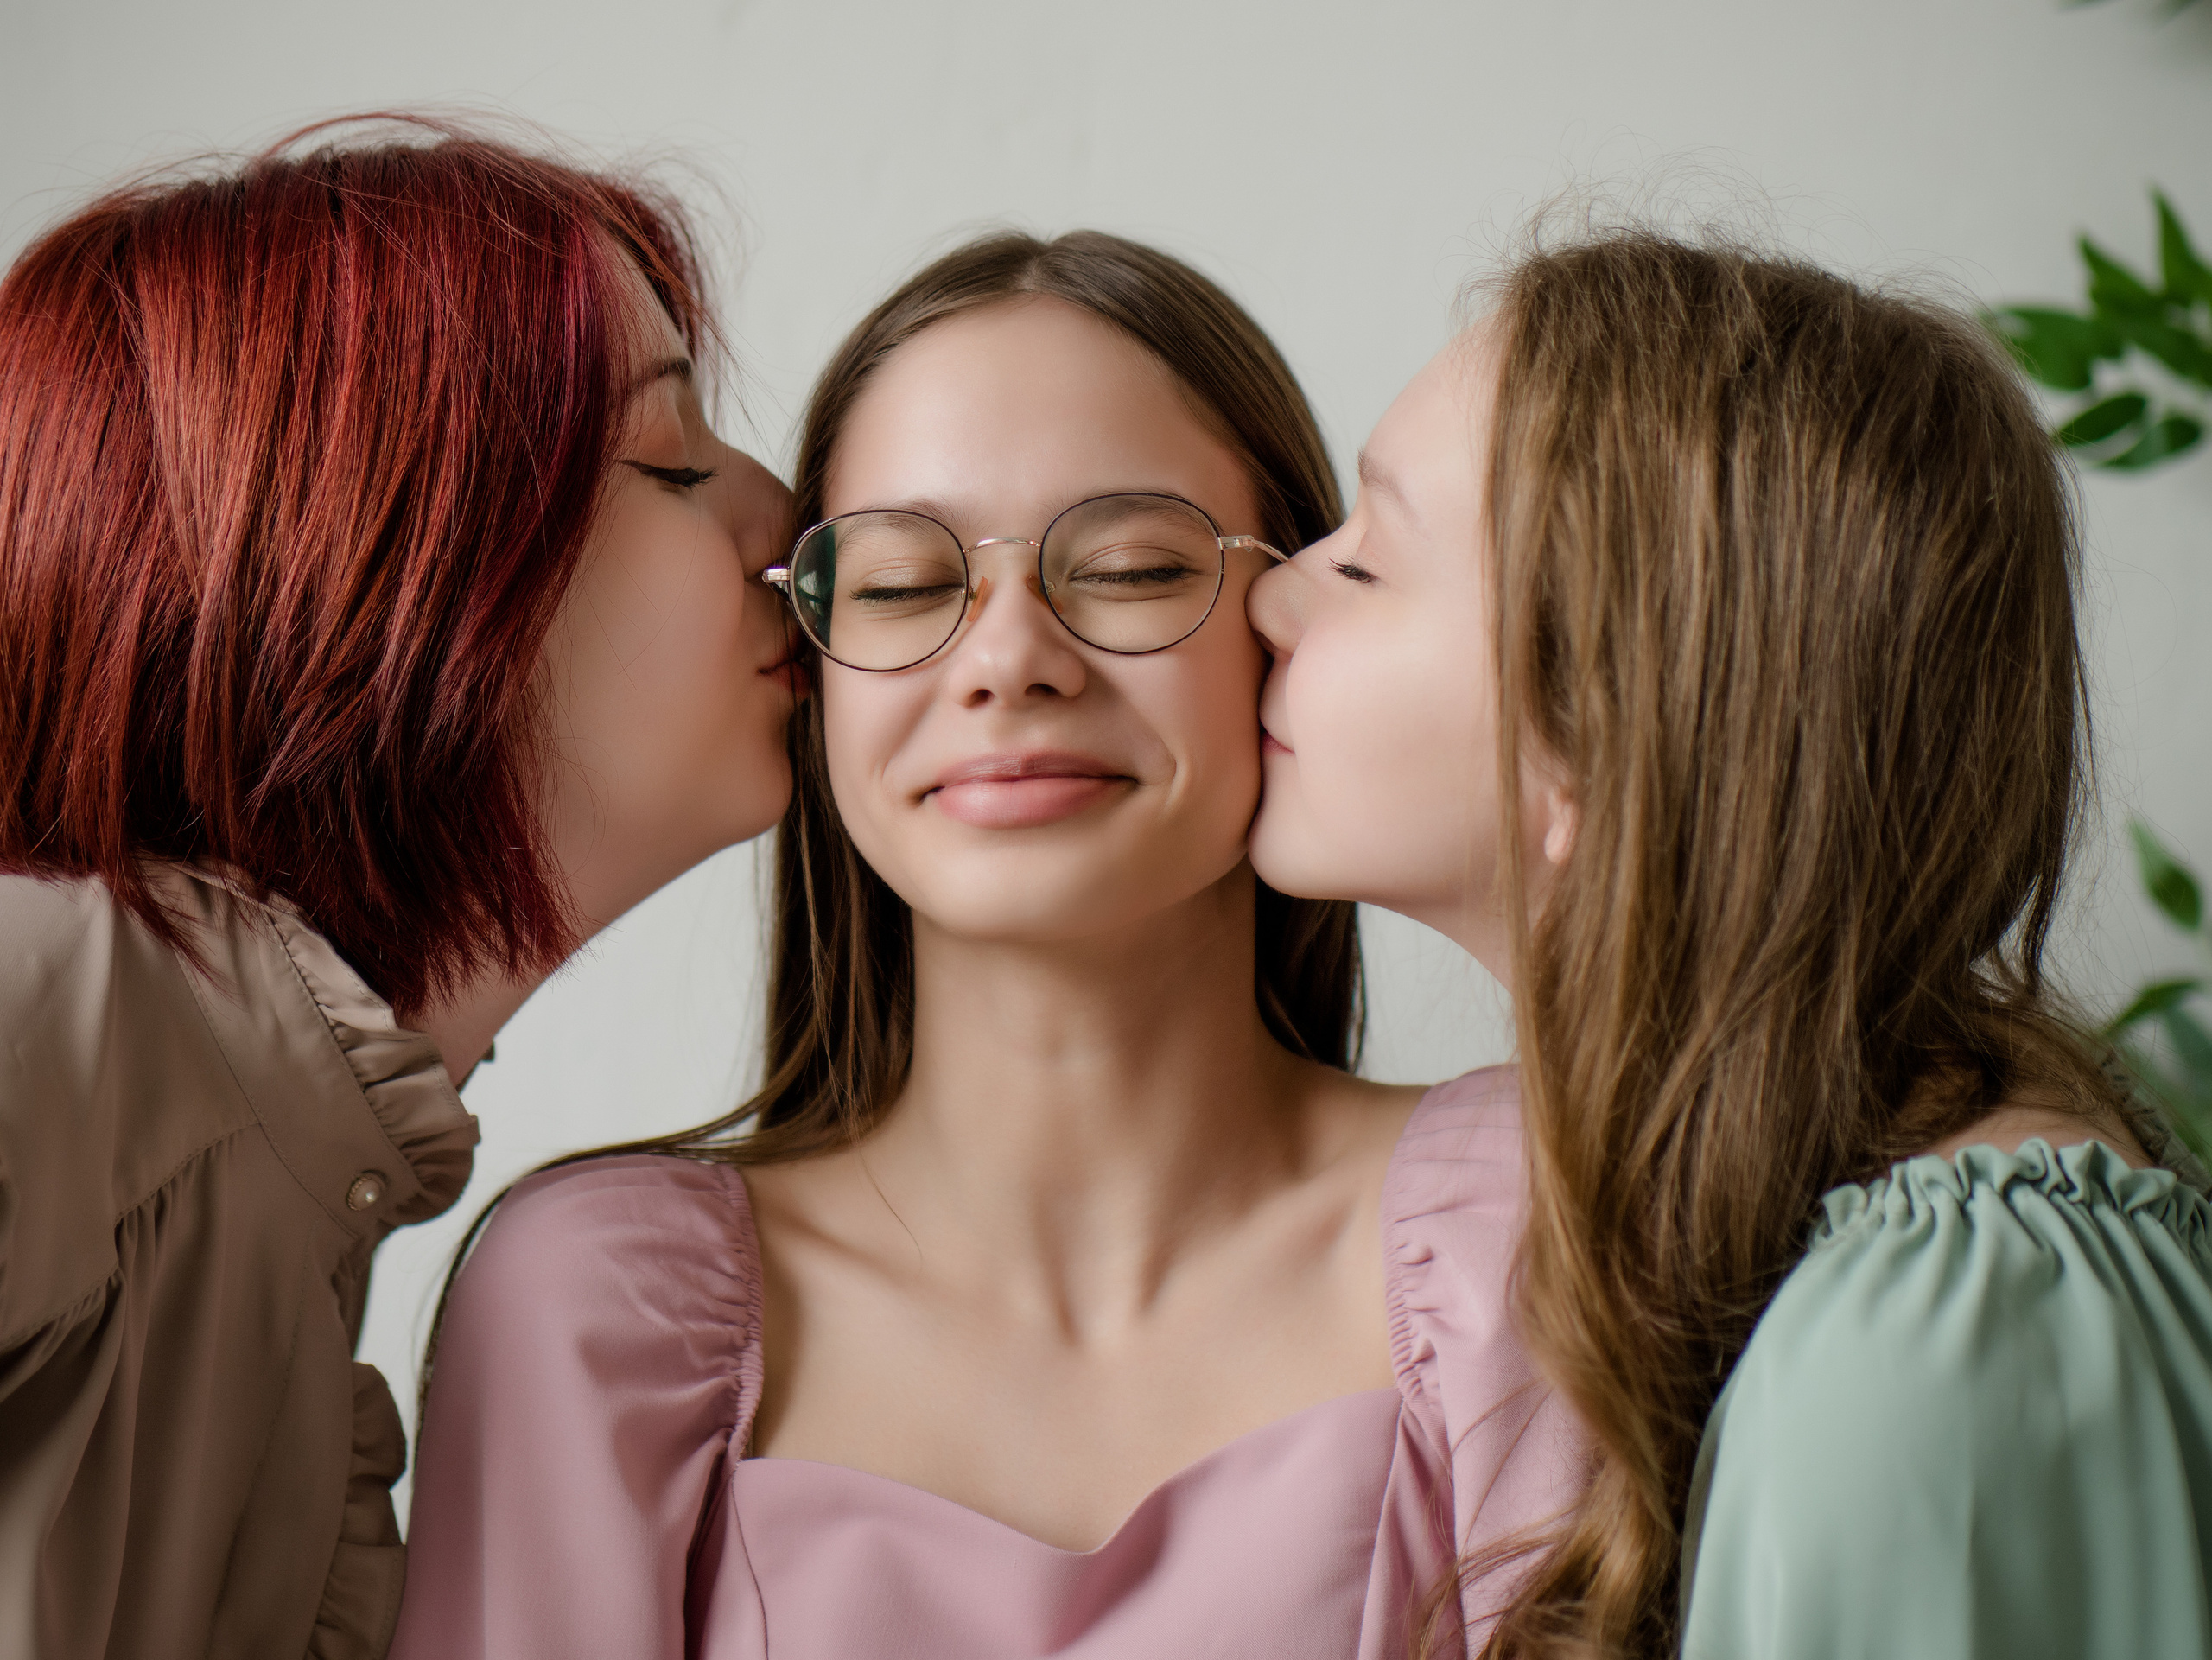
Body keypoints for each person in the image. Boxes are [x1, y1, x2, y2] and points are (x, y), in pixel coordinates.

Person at [395, 230, 1588, 1660]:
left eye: (1136, 567)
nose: (1009, 654)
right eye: (901, 585)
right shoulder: (596, 1308)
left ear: (1290, 625)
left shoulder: (1533, 1225)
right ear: (810, 671)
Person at [1244, 224, 2212, 1658]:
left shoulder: (1931, 1345)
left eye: (1367, 564)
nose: (1270, 593)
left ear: (1602, 737)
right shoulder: (1845, 1236)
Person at [0, 119, 797, 1660]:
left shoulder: (310, 1294)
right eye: (673, 456)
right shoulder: (57, 1014)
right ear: (372, 557)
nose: (785, 517)